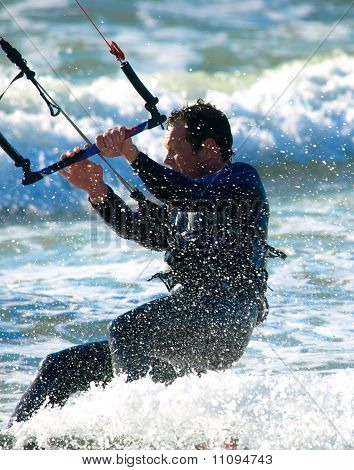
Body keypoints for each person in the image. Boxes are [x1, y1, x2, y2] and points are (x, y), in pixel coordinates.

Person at [9, 100, 284, 425]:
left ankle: (139, 432)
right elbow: (145, 232)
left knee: (127, 330)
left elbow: (185, 193)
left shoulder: (241, 180)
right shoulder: (184, 199)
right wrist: (97, 191)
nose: (167, 160)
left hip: (224, 317)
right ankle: (15, 443)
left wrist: (131, 153)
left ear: (208, 148)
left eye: (174, 150)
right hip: (185, 322)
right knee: (60, 366)